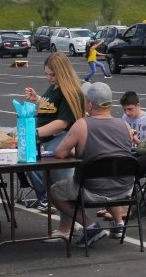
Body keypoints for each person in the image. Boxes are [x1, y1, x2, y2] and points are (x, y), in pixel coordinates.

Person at [49, 82, 135, 247]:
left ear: (89, 104)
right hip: (124, 188)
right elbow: (115, 153)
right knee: (109, 173)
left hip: (93, 189)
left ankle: (90, 226)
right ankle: (118, 225)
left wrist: (77, 151)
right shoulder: (125, 125)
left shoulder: (82, 124)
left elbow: (60, 153)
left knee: (54, 191)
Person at [23, 53, 85, 211]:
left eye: (53, 74)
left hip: (61, 141)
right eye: (46, 73)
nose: (49, 77)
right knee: (52, 187)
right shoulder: (54, 87)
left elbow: (61, 123)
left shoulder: (70, 91)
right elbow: (50, 107)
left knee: (62, 190)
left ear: (63, 72)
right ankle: (65, 225)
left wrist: (33, 132)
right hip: (48, 141)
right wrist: (37, 99)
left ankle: (74, 224)